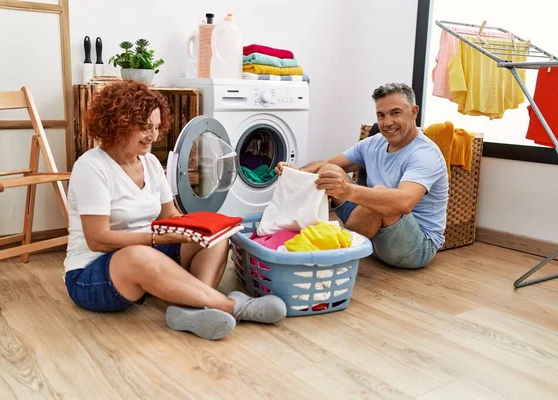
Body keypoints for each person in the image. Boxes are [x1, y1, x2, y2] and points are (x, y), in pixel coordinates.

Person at [64, 80, 286, 341]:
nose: (154, 136)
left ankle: (193, 310)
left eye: (157, 127)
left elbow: (168, 215)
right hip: (92, 274)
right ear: (118, 123)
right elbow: (97, 238)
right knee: (138, 255)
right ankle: (231, 306)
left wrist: (199, 229)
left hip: (147, 252)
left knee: (215, 238)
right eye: (145, 127)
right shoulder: (91, 167)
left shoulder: (149, 163)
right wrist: (159, 238)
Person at [275, 83, 448, 269]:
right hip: (376, 233)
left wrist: (348, 190)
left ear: (414, 112)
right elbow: (327, 165)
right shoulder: (375, 143)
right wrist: (295, 172)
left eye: (395, 113)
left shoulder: (425, 154)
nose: (387, 122)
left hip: (416, 246)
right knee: (329, 171)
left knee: (380, 198)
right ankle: (333, 240)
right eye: (381, 115)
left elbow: (405, 201)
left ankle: (329, 253)